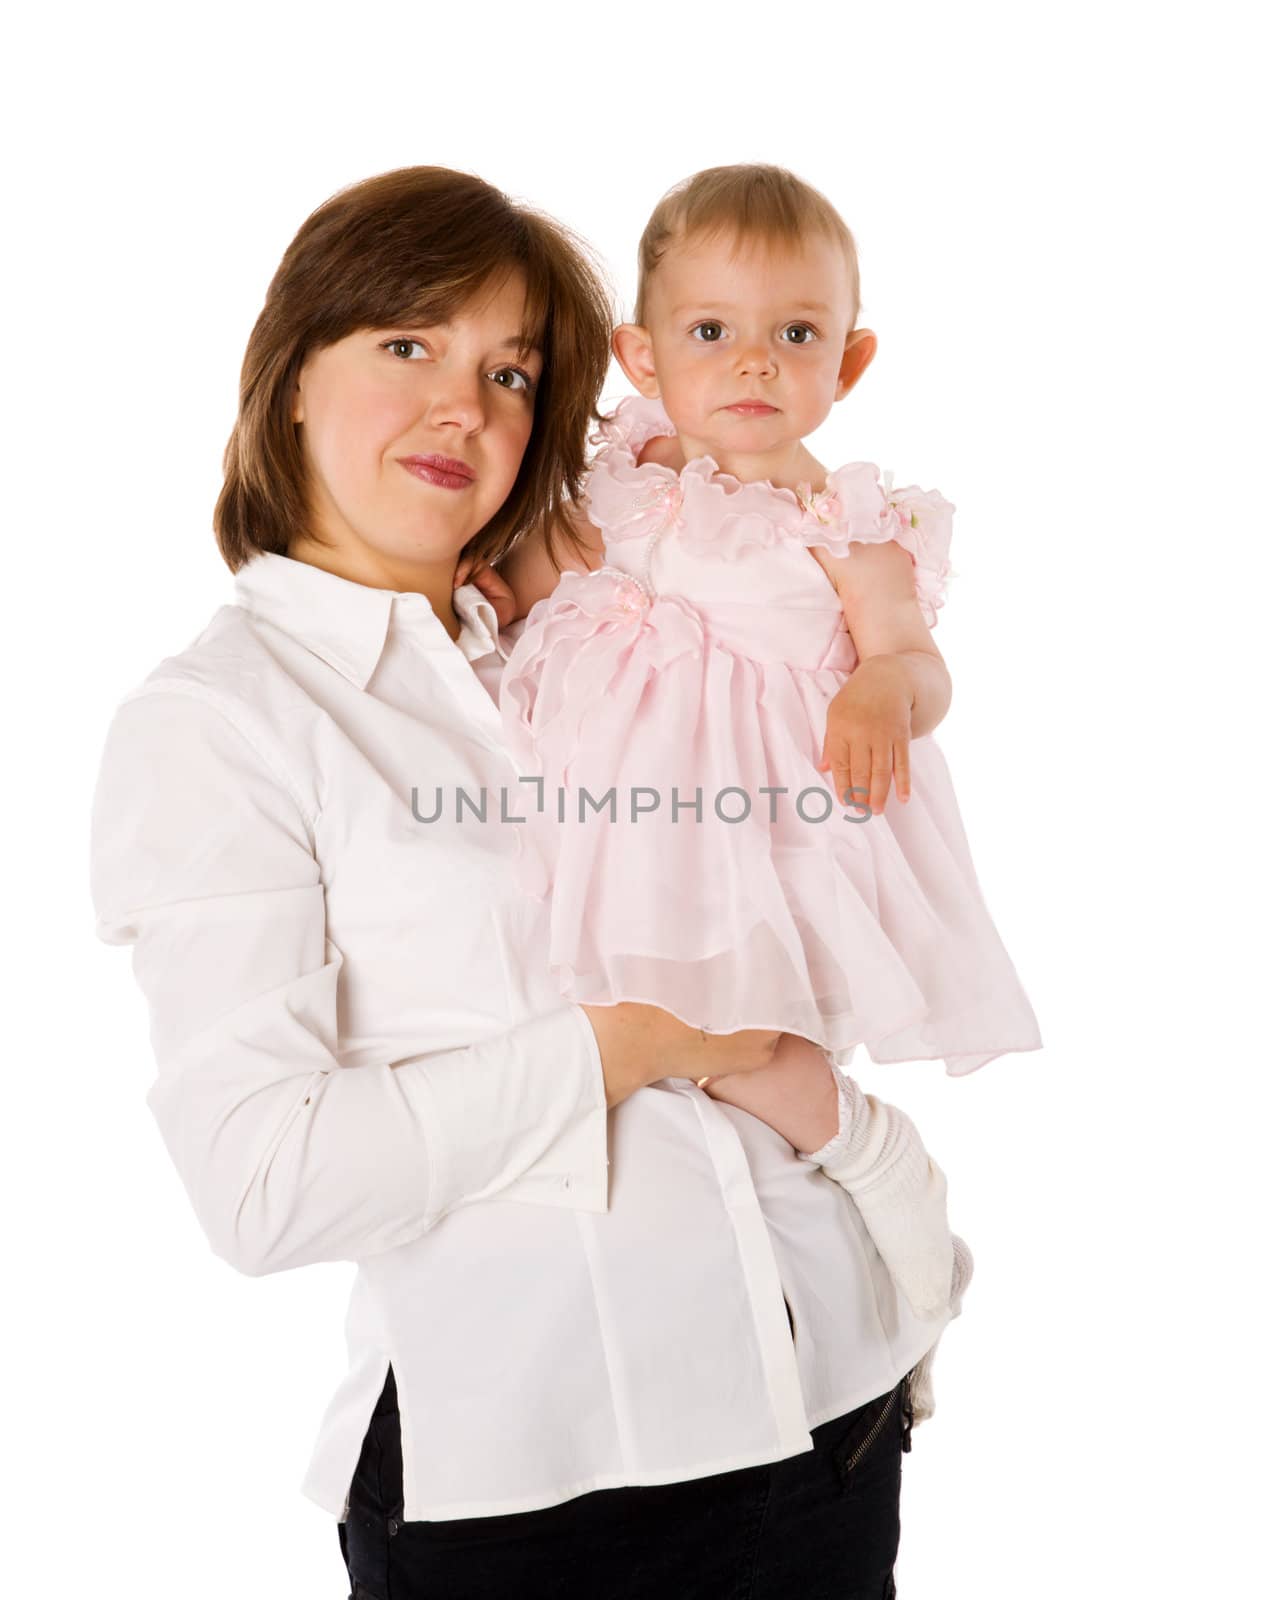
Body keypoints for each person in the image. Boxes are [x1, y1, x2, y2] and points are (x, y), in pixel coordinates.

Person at [89, 165, 963, 1600]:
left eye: (509, 368)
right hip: (543, 1505)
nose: (467, 407)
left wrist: (885, 1187)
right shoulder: (225, 719)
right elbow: (263, 1188)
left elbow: (794, 959)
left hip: (833, 1425)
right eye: (406, 345)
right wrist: (612, 1055)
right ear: (291, 375)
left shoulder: (612, 637)